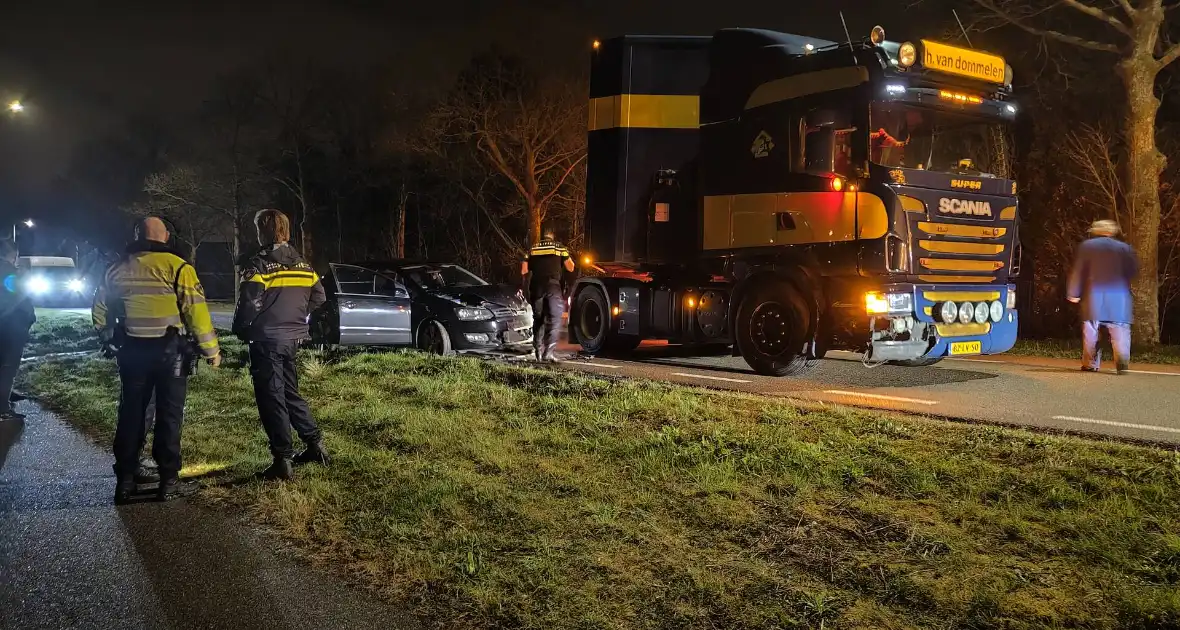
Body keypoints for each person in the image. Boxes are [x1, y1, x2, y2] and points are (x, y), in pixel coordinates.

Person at [93, 217, 221, 504]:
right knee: (170, 416)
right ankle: (168, 481)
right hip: (171, 353)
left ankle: (126, 480)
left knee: (131, 413)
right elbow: (196, 313)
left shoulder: (116, 268)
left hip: (132, 352)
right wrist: (211, 351)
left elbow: (100, 308)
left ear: (138, 235)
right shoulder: (179, 267)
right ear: (165, 237)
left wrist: (107, 337)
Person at [232, 209, 328, 481]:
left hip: (265, 339)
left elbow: (249, 302)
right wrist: (297, 317)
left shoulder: (259, 265)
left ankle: (282, 459)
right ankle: (315, 445)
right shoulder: (303, 264)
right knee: (290, 392)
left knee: (271, 397)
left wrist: (241, 329)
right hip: (292, 339)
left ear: (263, 230)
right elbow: (319, 297)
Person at [1067, 219, 1138, 374]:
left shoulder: (1088, 247)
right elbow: (1132, 271)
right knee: (1120, 329)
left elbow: (1079, 271)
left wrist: (1074, 293)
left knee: (1092, 329)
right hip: (1118, 295)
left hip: (1095, 294)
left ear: (1095, 231)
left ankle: (1091, 363)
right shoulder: (1124, 248)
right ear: (1112, 232)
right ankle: (1122, 360)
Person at [521, 227, 575, 363]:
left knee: (538, 319)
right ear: (553, 236)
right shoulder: (559, 248)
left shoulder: (533, 248)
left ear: (543, 236)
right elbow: (571, 267)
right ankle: (548, 353)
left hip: (537, 287)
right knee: (555, 318)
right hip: (552, 286)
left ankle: (538, 351)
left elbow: (524, 270)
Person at [0, 240, 35, 420]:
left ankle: (5, 396)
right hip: (12, 326)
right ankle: (2, 407)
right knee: (8, 366)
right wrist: (30, 318)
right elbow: (23, 300)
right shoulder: (13, 274)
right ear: (12, 254)